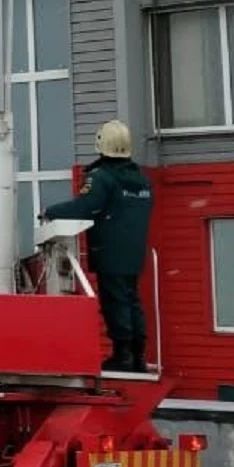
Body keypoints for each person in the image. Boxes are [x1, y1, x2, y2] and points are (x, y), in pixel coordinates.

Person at [43, 119, 153, 373]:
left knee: (115, 301)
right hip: (134, 253)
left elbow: (86, 206)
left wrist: (50, 212)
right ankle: (137, 356)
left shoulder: (101, 177)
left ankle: (123, 355)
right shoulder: (142, 180)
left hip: (110, 250)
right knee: (131, 299)